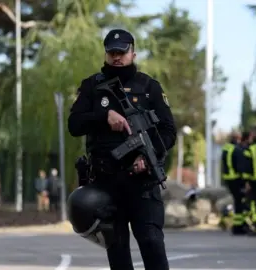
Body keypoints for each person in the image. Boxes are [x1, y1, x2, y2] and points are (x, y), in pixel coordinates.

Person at [67, 29, 177, 270]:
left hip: (143, 183)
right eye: (112, 52)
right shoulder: (92, 87)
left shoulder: (149, 87)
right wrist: (104, 116)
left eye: (122, 52)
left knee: (152, 242)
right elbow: (74, 125)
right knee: (118, 254)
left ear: (133, 54)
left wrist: (146, 159)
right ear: (106, 54)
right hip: (105, 184)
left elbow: (169, 132)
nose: (117, 57)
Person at [221, 131, 250, 235]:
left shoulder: (226, 148)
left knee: (237, 202)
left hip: (229, 180)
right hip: (237, 179)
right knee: (240, 202)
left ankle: (238, 225)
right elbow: (240, 167)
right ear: (238, 138)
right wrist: (245, 180)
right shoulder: (237, 150)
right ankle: (238, 226)